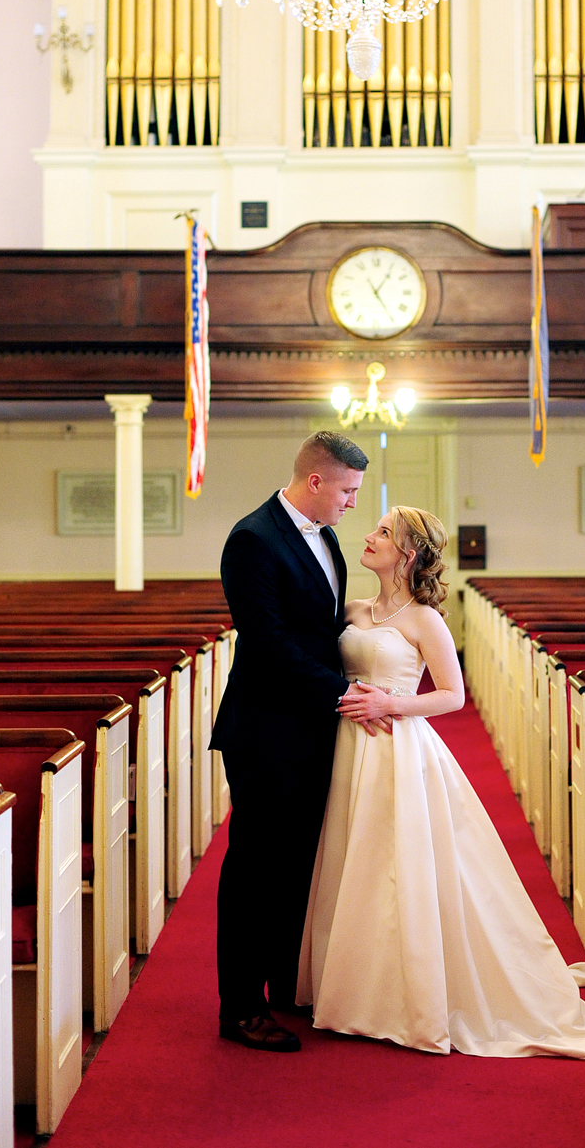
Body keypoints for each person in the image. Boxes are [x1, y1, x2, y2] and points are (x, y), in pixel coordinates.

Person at [297, 506, 585, 1060]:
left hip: (397, 748)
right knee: (353, 860)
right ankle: (351, 981)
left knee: (399, 864)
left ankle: (406, 994)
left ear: (408, 553)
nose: (369, 536)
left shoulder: (426, 619)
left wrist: (390, 702)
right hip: (348, 748)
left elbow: (452, 695)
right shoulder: (353, 608)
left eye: (382, 532)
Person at [213, 430, 392, 1053]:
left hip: (313, 725)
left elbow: (322, 622)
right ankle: (238, 1007)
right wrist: (343, 693)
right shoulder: (253, 539)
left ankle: (284, 982)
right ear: (315, 481)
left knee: (297, 864)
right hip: (266, 729)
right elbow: (267, 643)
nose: (351, 503)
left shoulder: (327, 536)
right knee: (256, 867)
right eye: (346, 490)